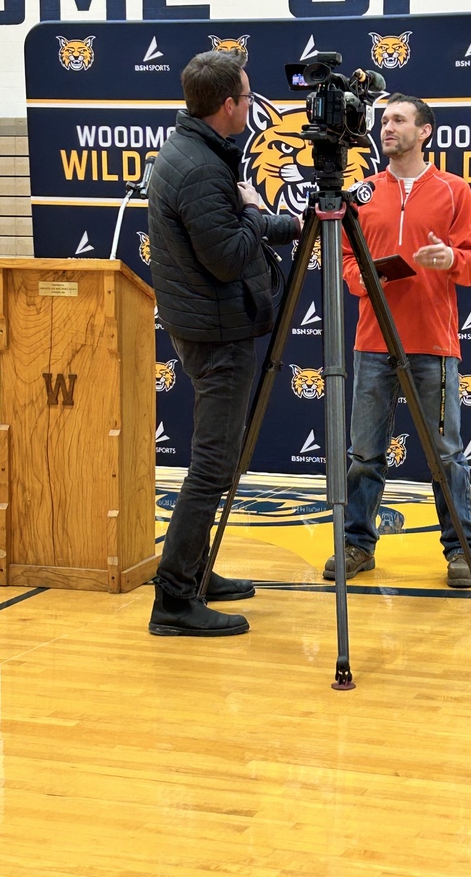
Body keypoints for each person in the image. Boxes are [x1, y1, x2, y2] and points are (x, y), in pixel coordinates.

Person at [147, 51, 300, 637]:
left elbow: (232, 230)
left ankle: (195, 571)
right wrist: (257, 212)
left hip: (208, 325)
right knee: (212, 468)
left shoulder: (197, 153)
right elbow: (230, 255)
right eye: (246, 94)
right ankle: (174, 601)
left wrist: (260, 217)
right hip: (217, 332)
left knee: (217, 464)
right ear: (227, 106)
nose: (251, 102)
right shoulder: (200, 168)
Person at [324, 93, 471, 588]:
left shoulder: (455, 191)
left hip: (433, 345)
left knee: (446, 455)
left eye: (398, 120)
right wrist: (364, 279)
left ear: (425, 131)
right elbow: (346, 260)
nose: (386, 127)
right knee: (364, 454)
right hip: (372, 343)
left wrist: (450, 261)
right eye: (382, 120)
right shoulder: (362, 193)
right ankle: (356, 545)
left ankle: (461, 550)